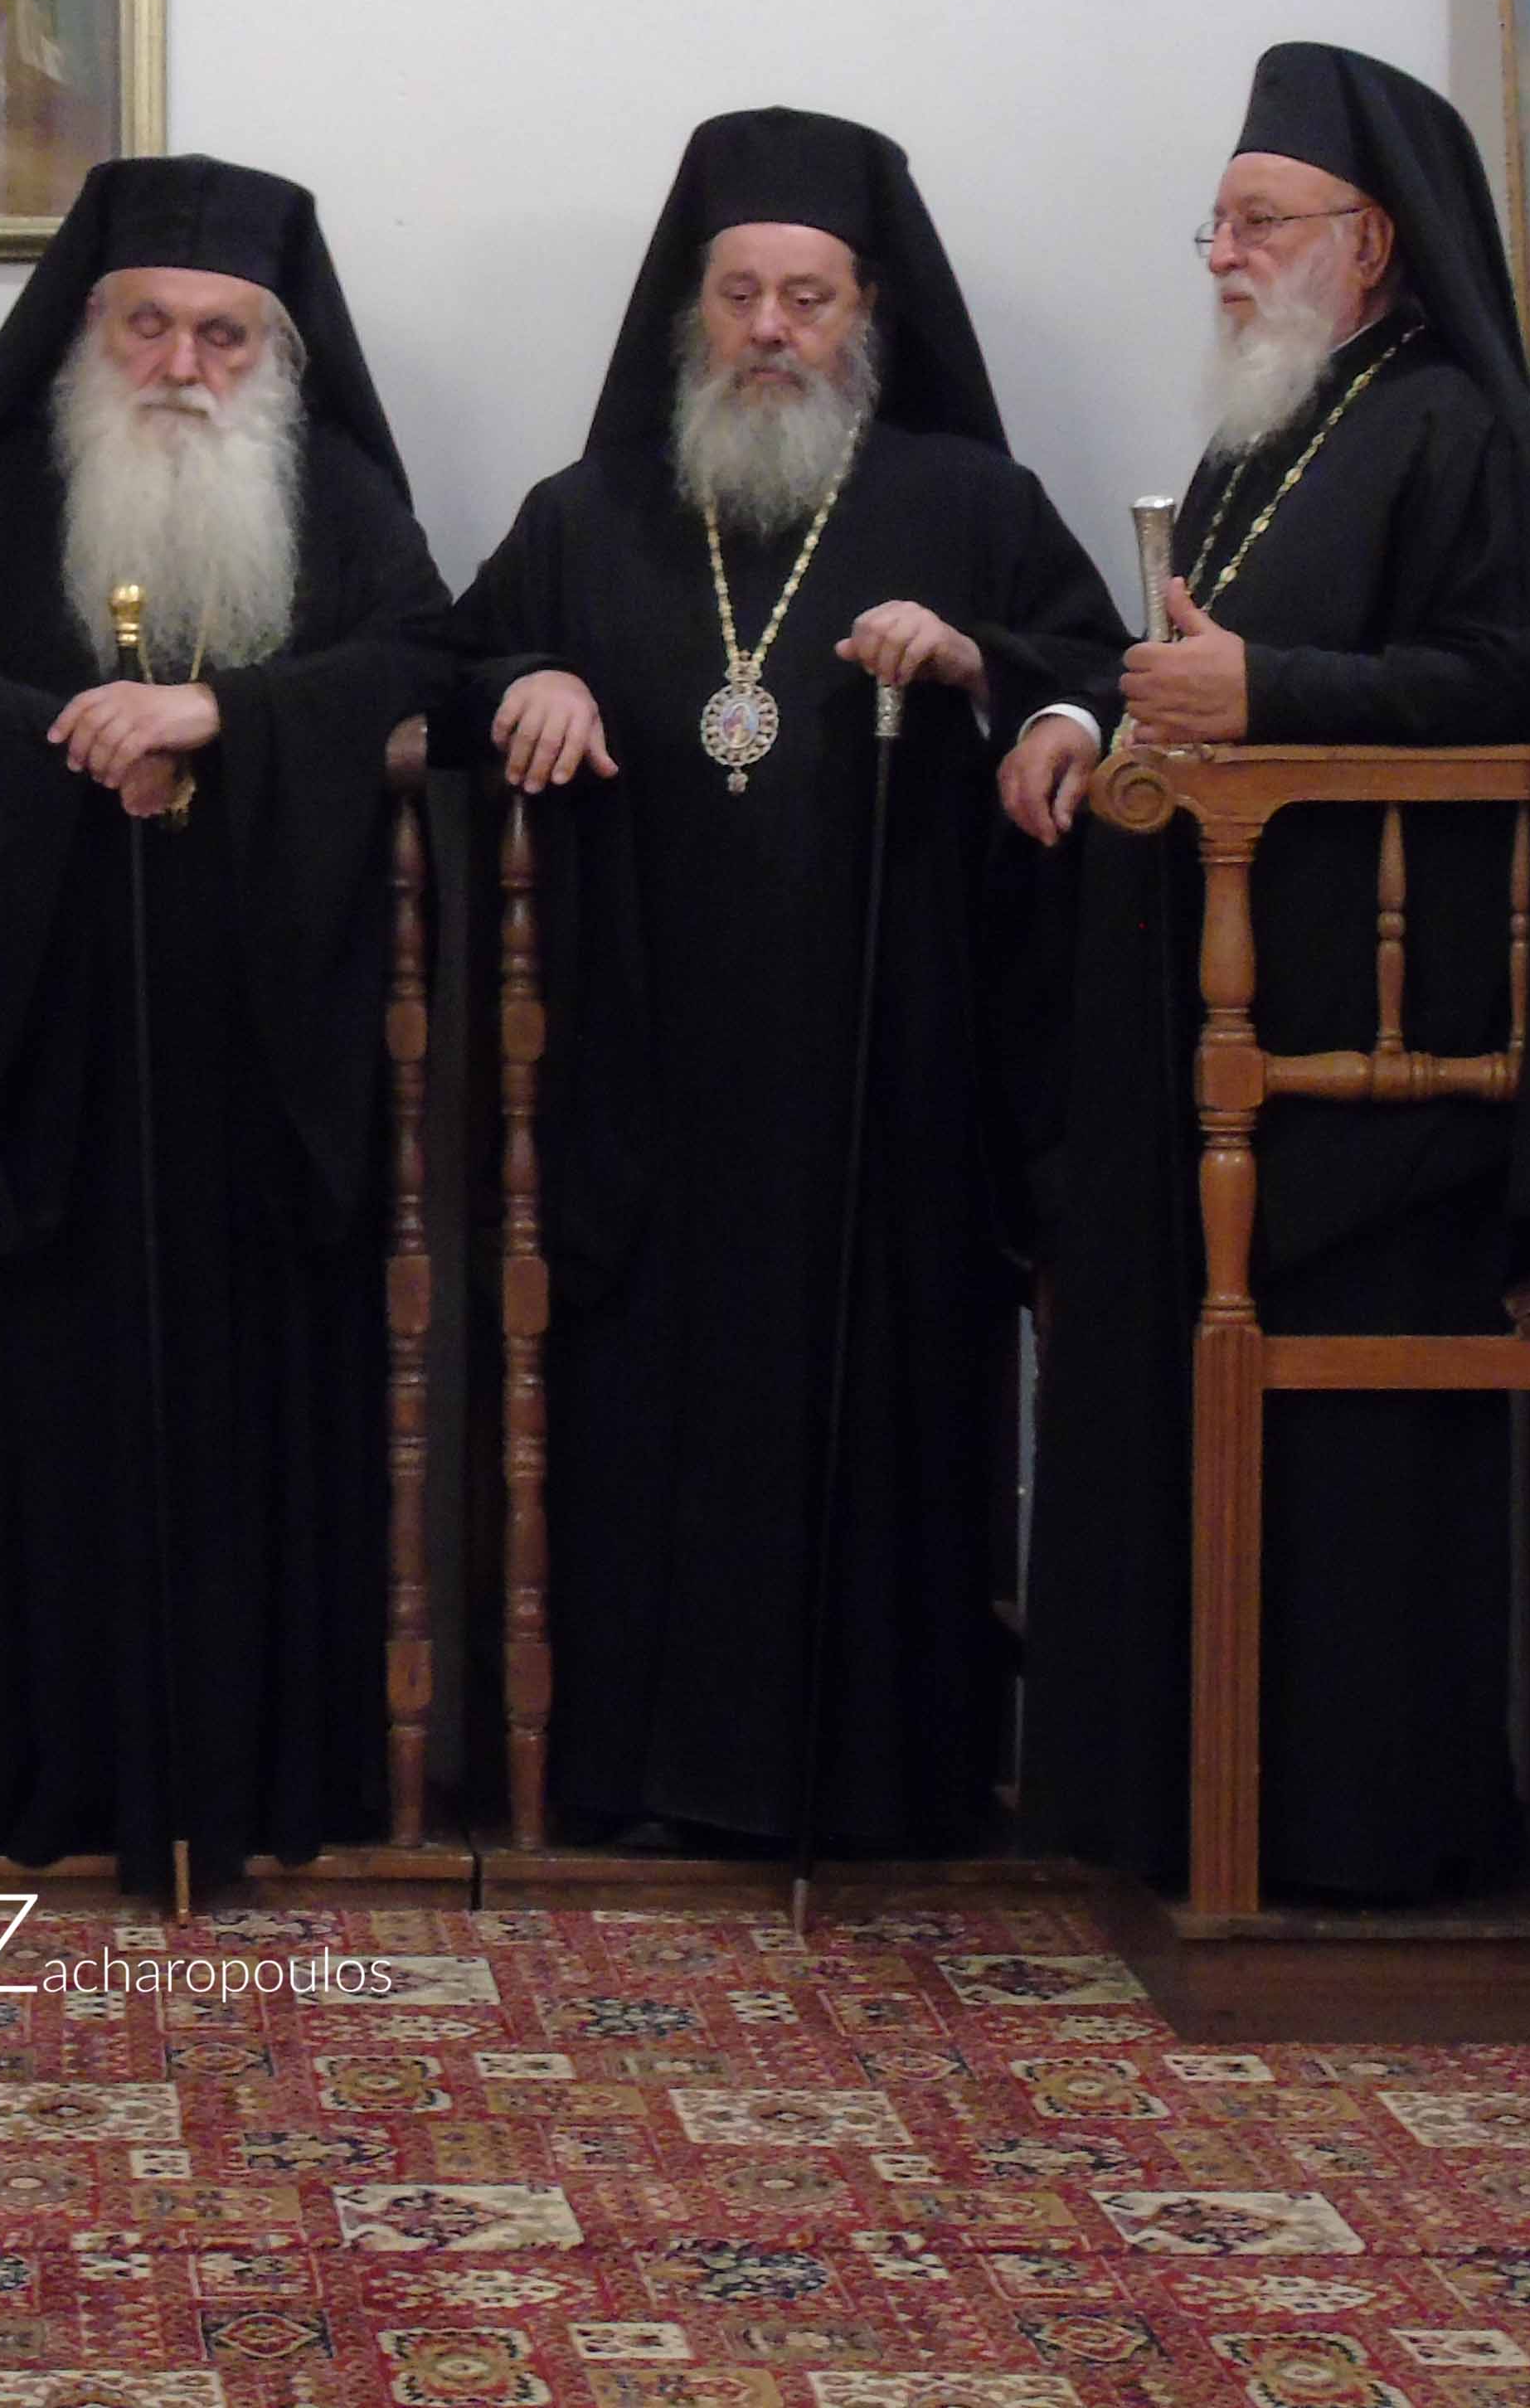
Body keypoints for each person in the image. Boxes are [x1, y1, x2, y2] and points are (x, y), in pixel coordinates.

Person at [1010, 40, 1530, 1904]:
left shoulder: (1449, 428)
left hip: (1373, 1043)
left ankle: (1361, 1835)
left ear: (1369, 243)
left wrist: (1267, 690)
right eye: (1214, 223)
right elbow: (1182, 661)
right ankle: (1186, 1805)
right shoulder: (1268, 427)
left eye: (1259, 221)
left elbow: (1526, 682)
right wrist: (1090, 712)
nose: (1221, 254)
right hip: (1229, 1010)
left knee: (1360, 1481)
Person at [450, 109, 1124, 1855]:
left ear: (865, 314)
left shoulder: (968, 503)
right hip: (649, 1067)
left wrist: (988, 668)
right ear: (691, 309)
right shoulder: (585, 510)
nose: (768, 328)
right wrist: (526, 676)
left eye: (805, 298)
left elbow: (1098, 675)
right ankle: (637, 1775)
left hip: (888, 1068)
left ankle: (882, 1786)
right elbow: (453, 652)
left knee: (883, 1413)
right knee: (645, 1420)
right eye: (738, 294)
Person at [0, 155, 447, 1884]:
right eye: (148, 326)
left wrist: (220, 715)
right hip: (60, 1050)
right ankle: (60, 1785)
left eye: (222, 335)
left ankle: (269, 1785)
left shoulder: (335, 500)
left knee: (265, 1434)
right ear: (90, 330)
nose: (181, 363)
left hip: (262, 1058)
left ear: (278, 352)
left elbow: (424, 663)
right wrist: (69, 733)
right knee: (62, 1431)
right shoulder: (2, 493)